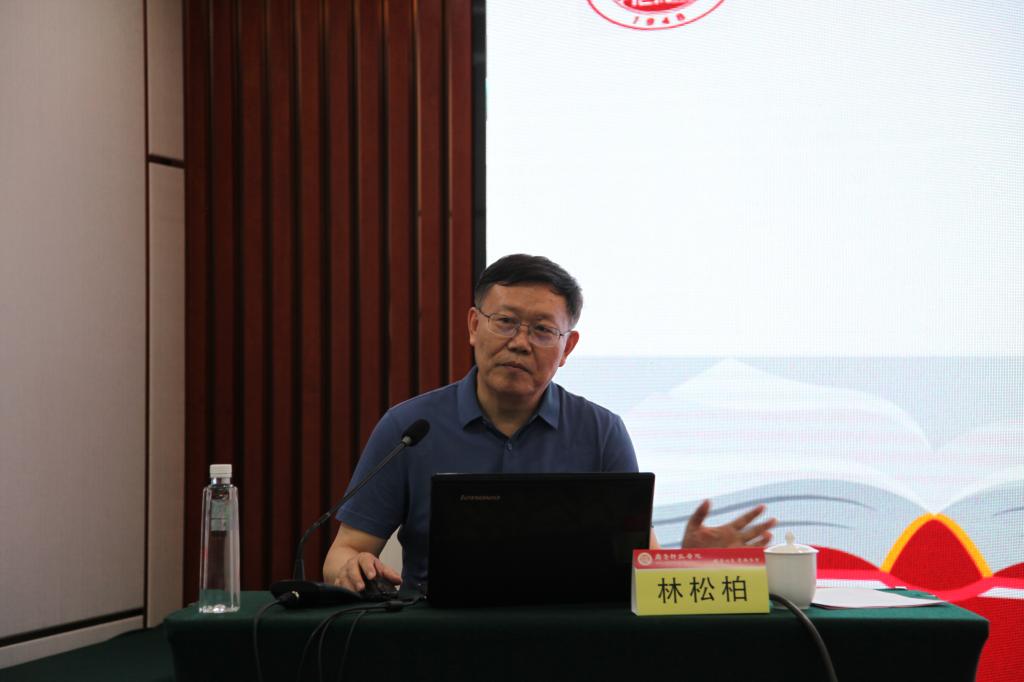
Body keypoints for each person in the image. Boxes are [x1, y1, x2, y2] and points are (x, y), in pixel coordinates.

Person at [324, 254, 776, 592]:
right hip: (436, 641)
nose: (520, 342)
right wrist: (351, 567)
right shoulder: (409, 428)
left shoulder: (601, 433)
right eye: (505, 322)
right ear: (474, 326)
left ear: (567, 347)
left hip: (570, 643)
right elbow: (343, 551)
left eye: (542, 330)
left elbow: (642, 567)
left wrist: (691, 560)